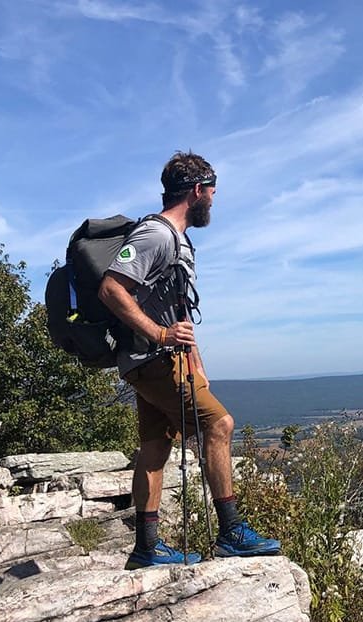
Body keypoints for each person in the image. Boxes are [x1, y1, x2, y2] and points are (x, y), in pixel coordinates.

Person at [99, 150, 281, 568]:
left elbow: (179, 309)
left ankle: (146, 548)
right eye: (212, 193)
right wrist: (160, 335)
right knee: (220, 424)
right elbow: (111, 288)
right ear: (198, 190)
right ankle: (232, 531)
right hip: (155, 356)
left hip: (159, 360)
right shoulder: (157, 235)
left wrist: (197, 363)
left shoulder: (178, 241)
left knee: (153, 447)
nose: (214, 201)